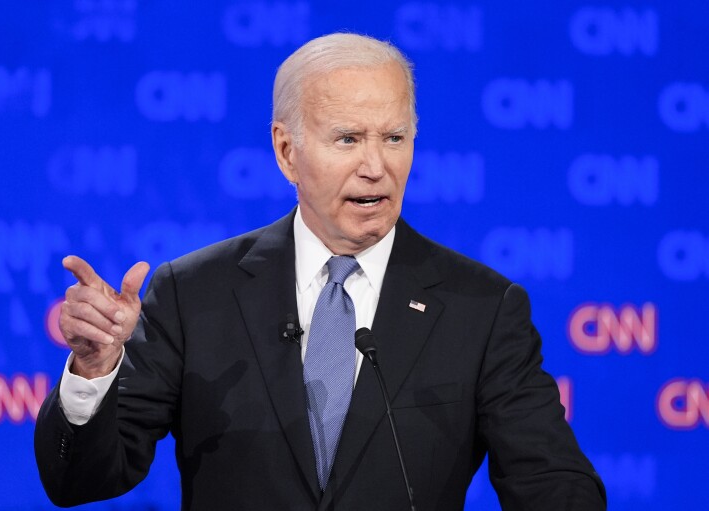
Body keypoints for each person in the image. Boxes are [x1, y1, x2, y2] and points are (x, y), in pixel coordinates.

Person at [34, 33, 606, 510]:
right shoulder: (193, 293)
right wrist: (94, 369)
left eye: (394, 138)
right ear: (287, 152)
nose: (376, 167)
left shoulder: (480, 307)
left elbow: (552, 484)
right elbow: (81, 482)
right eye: (349, 139)